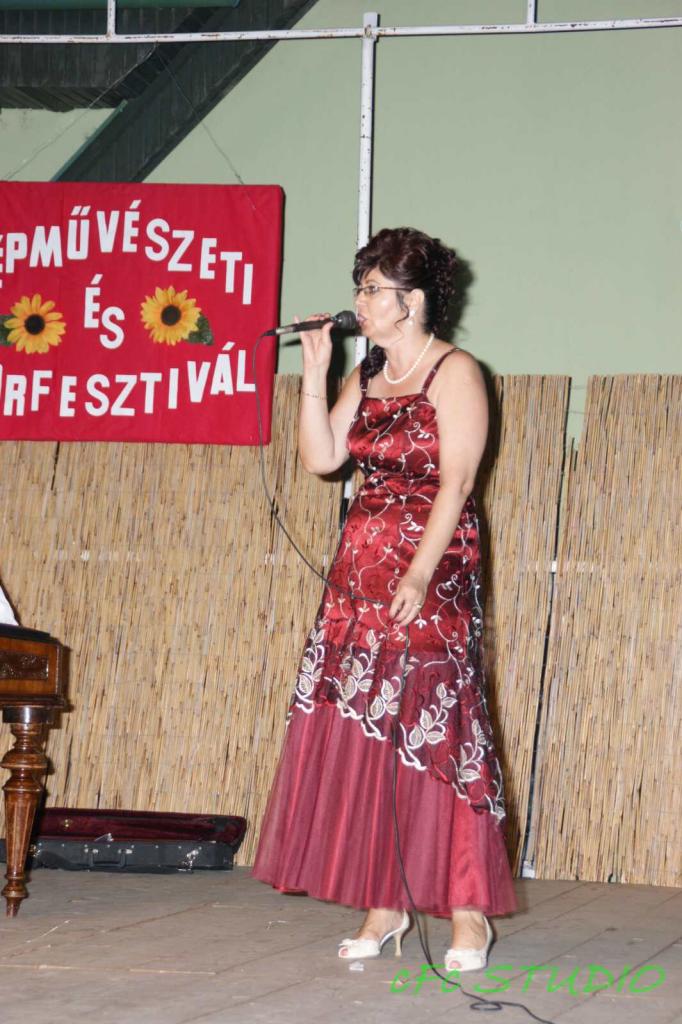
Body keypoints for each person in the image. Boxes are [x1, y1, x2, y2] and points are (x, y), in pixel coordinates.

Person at [252, 227, 518, 970]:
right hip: (360, 570)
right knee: (369, 729)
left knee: (438, 726)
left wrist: (420, 574)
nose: (360, 302)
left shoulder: (456, 371)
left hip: (432, 564)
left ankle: (468, 912)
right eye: (360, 288)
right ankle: (385, 902)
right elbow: (322, 459)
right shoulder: (367, 373)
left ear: (414, 300)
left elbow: (457, 482)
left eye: (373, 290)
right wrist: (316, 371)